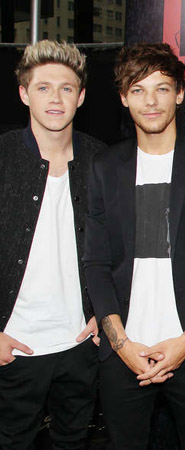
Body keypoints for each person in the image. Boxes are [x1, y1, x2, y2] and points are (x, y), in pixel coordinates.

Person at [84, 43, 185, 450]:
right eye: (138, 90)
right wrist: (121, 344)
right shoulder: (105, 168)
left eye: (162, 88)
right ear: (123, 97)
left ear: (180, 93)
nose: (150, 101)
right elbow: (96, 263)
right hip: (125, 350)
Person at [0, 40, 104, 449]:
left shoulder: (102, 160)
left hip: (80, 343)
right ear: (24, 94)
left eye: (66, 88)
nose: (56, 99)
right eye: (43, 88)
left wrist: (108, 313)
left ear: (81, 96)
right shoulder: (3, 157)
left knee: (74, 442)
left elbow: (125, 247)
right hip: (14, 346)